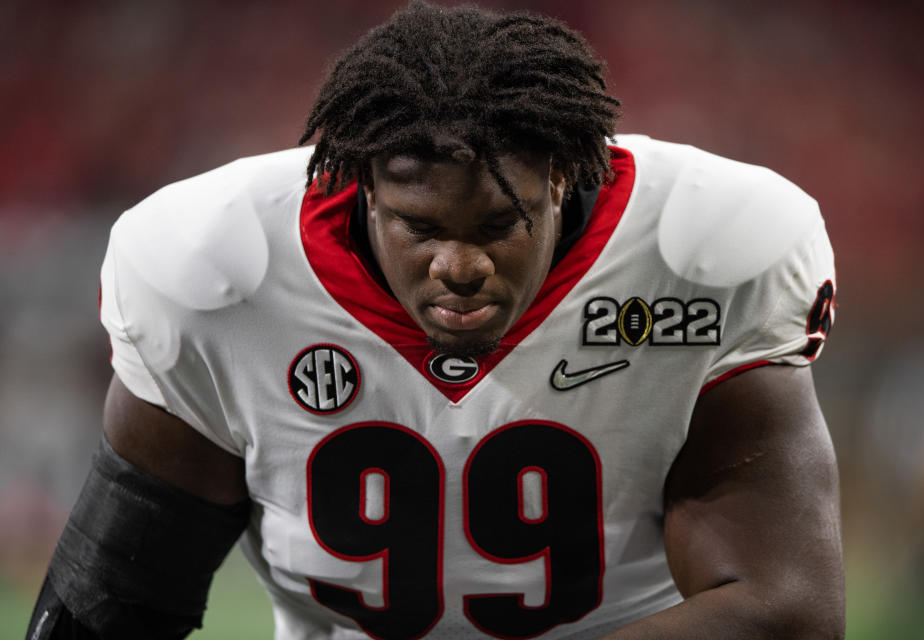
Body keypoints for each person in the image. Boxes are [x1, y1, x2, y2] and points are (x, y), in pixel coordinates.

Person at [26, 2, 844, 638]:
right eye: (422, 229)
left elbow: (784, 609)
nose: (460, 266)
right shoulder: (217, 269)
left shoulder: (695, 254)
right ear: (365, 191)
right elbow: (114, 602)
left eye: (498, 226)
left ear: (561, 183)